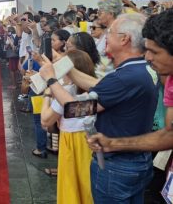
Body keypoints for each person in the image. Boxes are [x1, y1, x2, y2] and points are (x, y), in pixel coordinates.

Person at [40, 13, 158, 203]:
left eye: (109, 32)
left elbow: (75, 109)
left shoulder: (123, 78)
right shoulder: (139, 70)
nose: (104, 37)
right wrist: (66, 66)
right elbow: (98, 85)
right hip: (136, 159)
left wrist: (51, 80)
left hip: (117, 165)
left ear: (124, 39)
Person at [87, 9, 173, 152]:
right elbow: (169, 134)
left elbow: (78, 108)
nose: (148, 57)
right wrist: (112, 144)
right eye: (147, 50)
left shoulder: (128, 76)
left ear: (125, 38)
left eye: (155, 52)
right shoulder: (169, 78)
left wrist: (51, 81)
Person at [40, 50, 96, 203]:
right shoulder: (96, 88)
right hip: (92, 141)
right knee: (88, 185)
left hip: (73, 142)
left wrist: (47, 95)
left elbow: (45, 121)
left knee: (71, 185)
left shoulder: (64, 91)